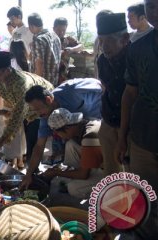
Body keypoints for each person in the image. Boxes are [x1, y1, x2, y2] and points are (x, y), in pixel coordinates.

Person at [118, 0, 158, 238]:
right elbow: (130, 93)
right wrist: (123, 137)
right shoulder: (138, 48)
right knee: (145, 199)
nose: (156, 11)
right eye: (151, 6)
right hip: (143, 140)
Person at [20, 78, 102, 189]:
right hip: (86, 131)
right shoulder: (45, 116)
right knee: (71, 145)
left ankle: (96, 175)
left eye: (39, 109)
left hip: (101, 123)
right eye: (35, 110)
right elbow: (39, 146)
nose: (38, 114)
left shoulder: (71, 90)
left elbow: (100, 85)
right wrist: (28, 174)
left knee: (75, 188)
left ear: (48, 99)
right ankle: (82, 171)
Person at [43, 108, 103, 200]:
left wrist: (56, 172)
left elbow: (84, 175)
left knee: (73, 188)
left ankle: (105, 195)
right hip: (100, 160)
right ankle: (77, 173)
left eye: (57, 133)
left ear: (67, 128)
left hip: (112, 171)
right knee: (71, 144)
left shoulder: (89, 137)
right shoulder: (83, 124)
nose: (57, 136)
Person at [96, 12, 129, 176]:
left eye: (109, 40)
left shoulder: (135, 58)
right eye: (101, 41)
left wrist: (123, 134)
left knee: (133, 173)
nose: (104, 46)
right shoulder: (102, 60)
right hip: (109, 121)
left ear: (124, 39)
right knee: (111, 171)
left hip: (132, 126)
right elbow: (104, 87)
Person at [28, 13, 61, 86]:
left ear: (31, 26)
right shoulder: (55, 36)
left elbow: (39, 64)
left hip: (43, 84)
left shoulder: (39, 40)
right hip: (54, 81)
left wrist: (36, 85)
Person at [53, 17, 83, 84]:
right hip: (53, 74)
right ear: (53, 29)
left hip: (67, 75)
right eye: (58, 30)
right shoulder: (50, 40)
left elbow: (81, 46)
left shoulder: (68, 39)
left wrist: (72, 50)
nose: (61, 32)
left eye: (63, 30)